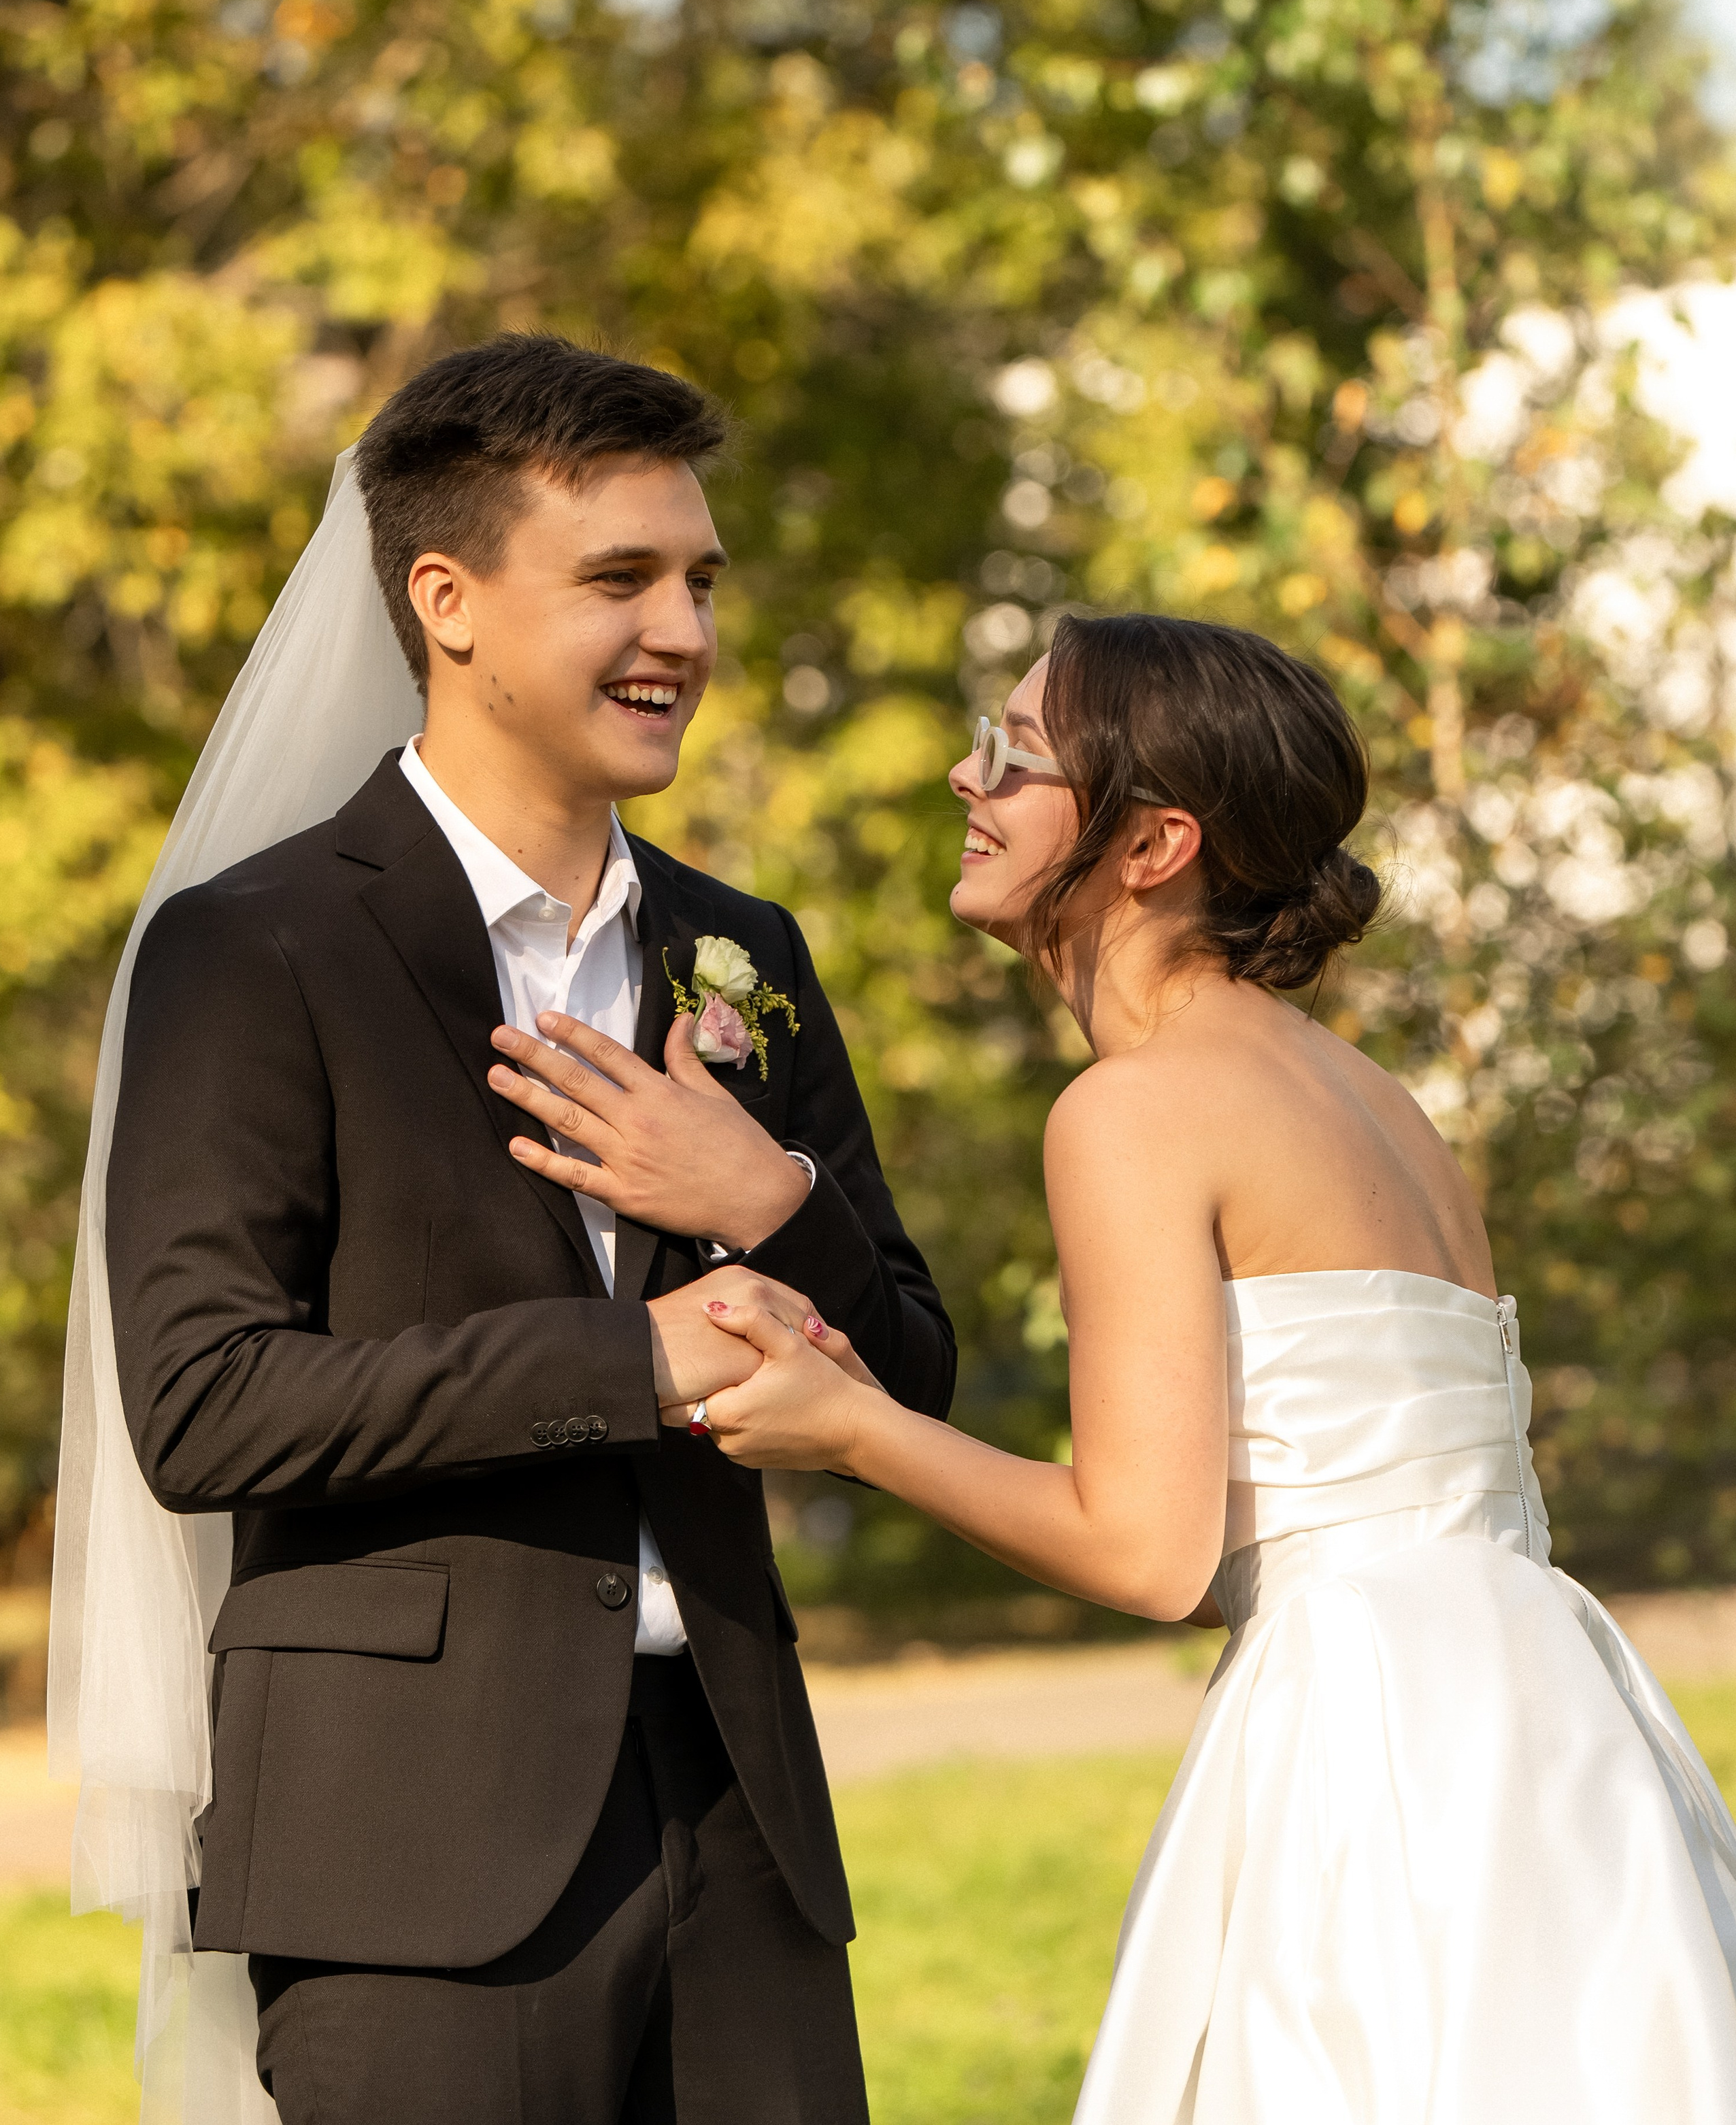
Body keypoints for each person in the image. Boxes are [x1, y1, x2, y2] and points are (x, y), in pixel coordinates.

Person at [678, 612, 1736, 2121]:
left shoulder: (1133, 1111)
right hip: (1545, 1713)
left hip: (1364, 1741)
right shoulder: (1375, 1099)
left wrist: (849, 1427)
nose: (965, 781)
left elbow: (1146, 1548)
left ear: (1153, 842)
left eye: (1016, 757)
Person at [73, 334, 954, 2124]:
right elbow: (207, 1404)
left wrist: (771, 1206)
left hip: (742, 1814)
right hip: (409, 1844)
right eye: (621, 577)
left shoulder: (746, 951)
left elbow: (914, 1369)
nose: (685, 632)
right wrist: (629, 1358)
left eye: (700, 579)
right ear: (448, 597)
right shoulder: (258, 946)